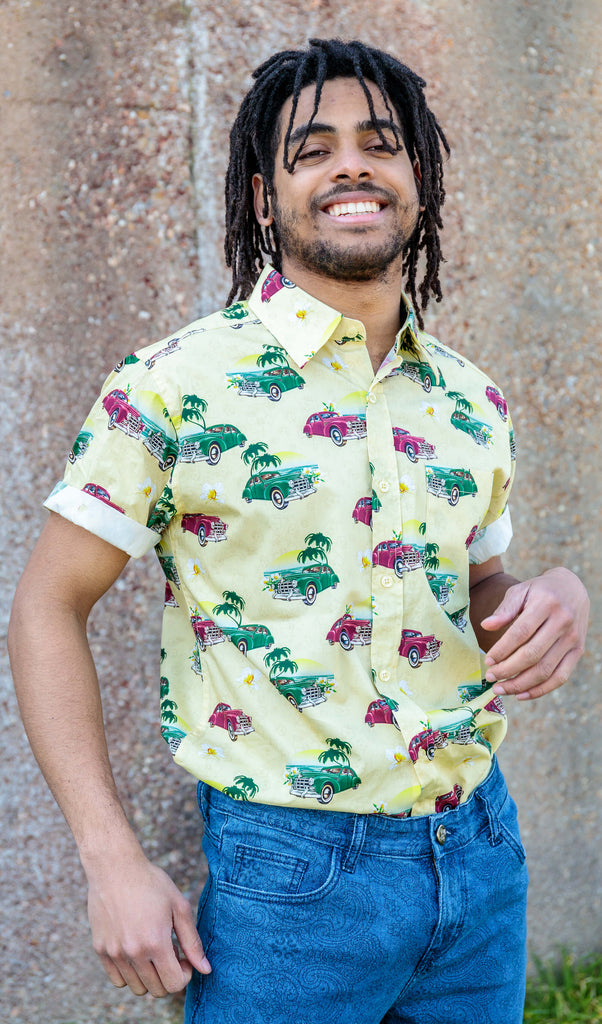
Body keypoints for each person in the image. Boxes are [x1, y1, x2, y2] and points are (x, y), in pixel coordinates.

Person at [9, 38, 589, 1024]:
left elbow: (478, 590)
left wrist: (553, 598)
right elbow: (45, 606)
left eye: (380, 142)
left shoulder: (467, 396)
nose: (351, 164)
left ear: (419, 181)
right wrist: (109, 858)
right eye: (311, 150)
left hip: (480, 854)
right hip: (292, 881)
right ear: (262, 198)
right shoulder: (173, 386)